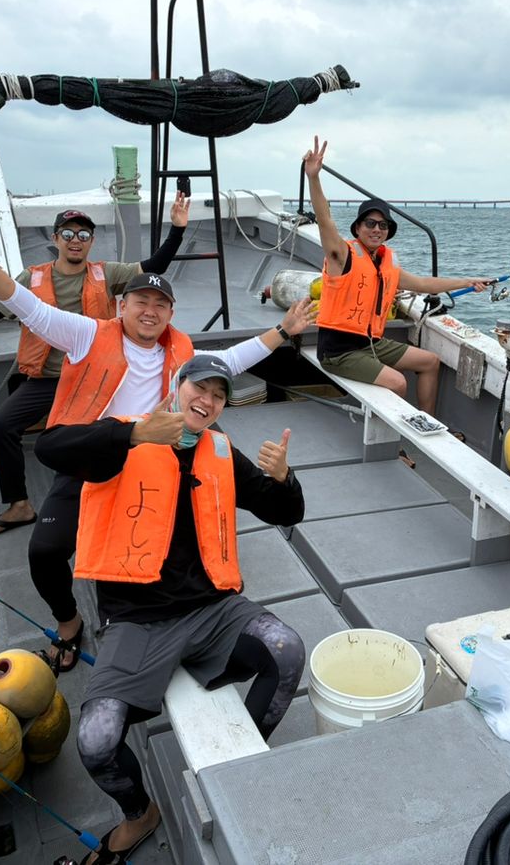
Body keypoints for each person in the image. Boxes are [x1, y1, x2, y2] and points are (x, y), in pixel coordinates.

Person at [0, 218, 313, 671]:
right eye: (142, 301)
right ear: (123, 305)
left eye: (161, 304)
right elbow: (32, 310)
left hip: (158, 464)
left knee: (171, 543)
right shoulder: (86, 334)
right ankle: (70, 622)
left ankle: (169, 618)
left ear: (171, 314)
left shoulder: (183, 354)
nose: (150, 311)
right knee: (44, 552)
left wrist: (285, 329)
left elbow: (232, 360)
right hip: (95, 454)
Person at [34, 354, 305, 865]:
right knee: (96, 740)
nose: (207, 400)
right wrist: (132, 438)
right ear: (176, 389)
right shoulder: (122, 437)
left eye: (219, 394)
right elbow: (50, 447)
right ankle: (140, 813)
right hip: (137, 618)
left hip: (212, 610)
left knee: (287, 651)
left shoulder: (221, 452)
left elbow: (284, 512)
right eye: (198, 388)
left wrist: (286, 479)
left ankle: (241, 764)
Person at [0, 194, 191, 538]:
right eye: (69, 233)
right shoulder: (31, 278)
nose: (76, 241)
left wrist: (178, 229)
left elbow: (156, 266)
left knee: (109, 431)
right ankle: (19, 505)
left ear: (91, 242)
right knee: (0, 426)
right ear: (55, 239)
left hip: (96, 380)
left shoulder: (109, 274)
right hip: (47, 378)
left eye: (84, 235)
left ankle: (116, 493)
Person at [303, 135, 492, 413]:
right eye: (370, 223)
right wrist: (313, 178)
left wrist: (467, 281)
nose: (377, 229)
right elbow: (324, 218)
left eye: (383, 225)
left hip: (370, 344)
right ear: (357, 228)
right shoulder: (341, 255)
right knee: (397, 382)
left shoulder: (385, 264)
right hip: (339, 352)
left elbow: (425, 284)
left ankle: (427, 423)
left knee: (430, 361)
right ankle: (400, 446)